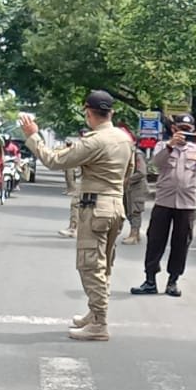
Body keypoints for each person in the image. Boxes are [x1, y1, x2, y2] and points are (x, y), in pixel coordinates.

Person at [19, 90, 134, 341]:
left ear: (88, 112)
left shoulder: (95, 141)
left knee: (90, 265)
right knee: (104, 264)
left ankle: (99, 323)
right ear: (111, 112)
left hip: (95, 207)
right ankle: (94, 313)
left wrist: (33, 136)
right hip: (115, 205)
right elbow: (129, 173)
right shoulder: (124, 139)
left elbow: (53, 160)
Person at [129, 113, 196, 297]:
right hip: (164, 201)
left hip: (187, 203)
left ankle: (173, 281)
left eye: (188, 130)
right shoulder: (163, 145)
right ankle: (150, 280)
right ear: (174, 129)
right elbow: (156, 163)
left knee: (181, 243)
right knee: (155, 241)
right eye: (181, 130)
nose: (184, 134)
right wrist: (171, 145)